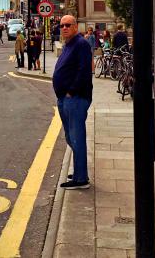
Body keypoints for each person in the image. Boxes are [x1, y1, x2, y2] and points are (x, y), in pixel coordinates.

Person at [52, 15, 93, 189]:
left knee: (76, 138)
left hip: (75, 99)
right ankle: (78, 172)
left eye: (68, 25)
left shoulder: (81, 44)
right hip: (65, 99)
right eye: (62, 25)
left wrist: (71, 91)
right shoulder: (70, 44)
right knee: (71, 137)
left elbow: (84, 70)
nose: (64, 28)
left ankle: (81, 179)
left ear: (75, 27)